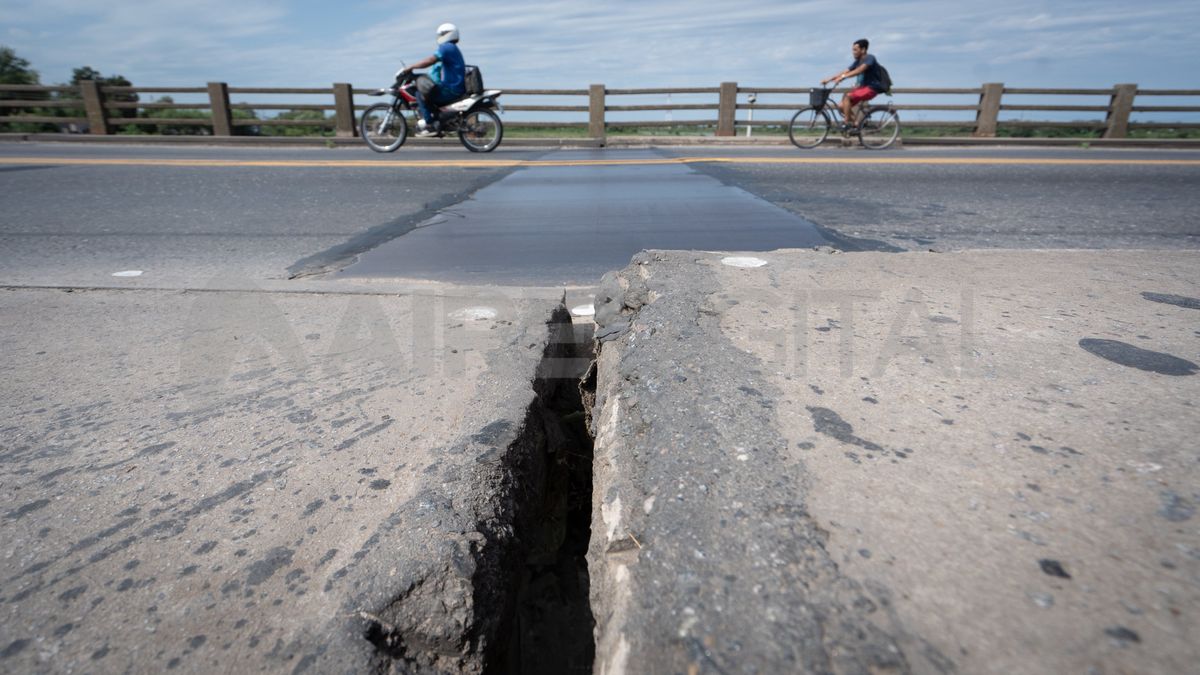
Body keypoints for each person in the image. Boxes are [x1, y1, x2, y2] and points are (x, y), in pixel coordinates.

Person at [400, 23, 466, 137]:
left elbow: (430, 60)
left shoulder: (446, 47)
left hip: (451, 88)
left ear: (446, 34)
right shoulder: (452, 48)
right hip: (455, 87)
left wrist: (411, 67)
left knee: (419, 94)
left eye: (440, 35)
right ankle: (438, 121)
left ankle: (429, 125)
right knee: (430, 93)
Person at [821, 39, 885, 128]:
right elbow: (845, 71)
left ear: (863, 50)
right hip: (863, 88)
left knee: (847, 97)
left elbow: (859, 70)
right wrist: (829, 79)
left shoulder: (870, 58)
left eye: (855, 50)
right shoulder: (858, 61)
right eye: (853, 50)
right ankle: (857, 124)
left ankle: (846, 122)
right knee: (841, 106)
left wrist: (843, 77)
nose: (853, 52)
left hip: (872, 88)